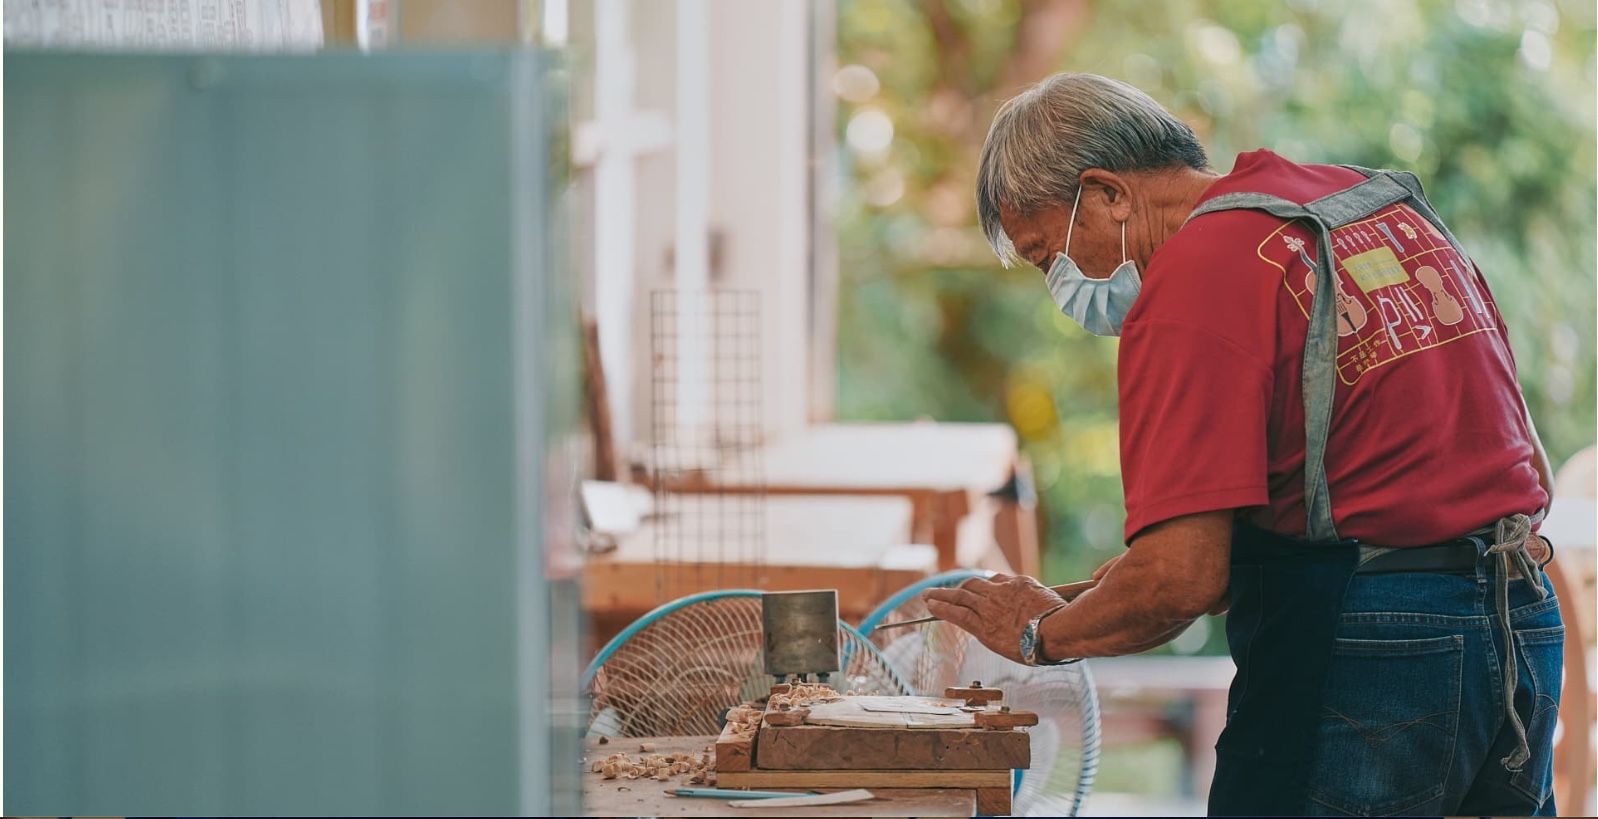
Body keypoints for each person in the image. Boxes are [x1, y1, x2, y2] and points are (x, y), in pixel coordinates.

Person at [925, 72, 1563, 816]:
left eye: (1048, 257)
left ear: (1107, 193)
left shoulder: (1196, 277)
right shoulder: (1360, 207)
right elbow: (1386, 473)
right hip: (1521, 623)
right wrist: (1087, 593)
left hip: (1379, 651)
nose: (1062, 285)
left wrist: (1038, 632)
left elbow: (1181, 581)